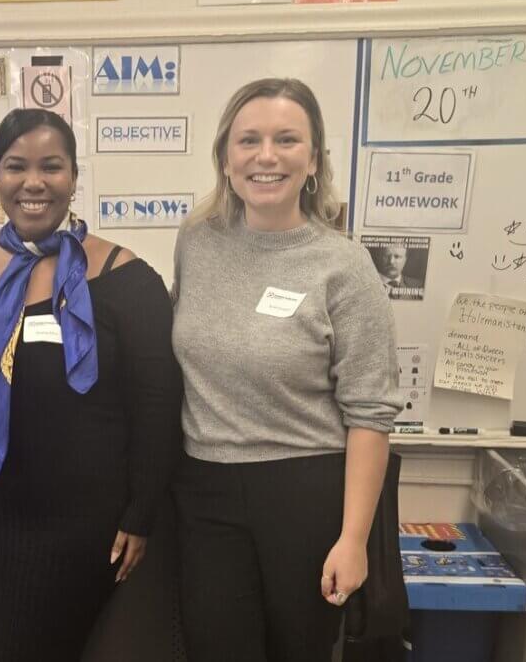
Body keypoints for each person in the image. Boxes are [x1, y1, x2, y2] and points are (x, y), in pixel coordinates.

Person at [0, 108, 182, 661]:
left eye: (52, 166)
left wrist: (142, 512)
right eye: (16, 166)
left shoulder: (125, 279)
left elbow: (157, 406)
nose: (33, 182)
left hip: (93, 530)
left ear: (73, 178)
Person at [171, 78, 403, 662]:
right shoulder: (196, 242)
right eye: (249, 140)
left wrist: (354, 540)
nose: (266, 156)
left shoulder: (344, 265)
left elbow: (371, 412)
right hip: (205, 490)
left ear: (314, 160)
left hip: (304, 493)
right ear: (226, 158)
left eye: (286, 140)